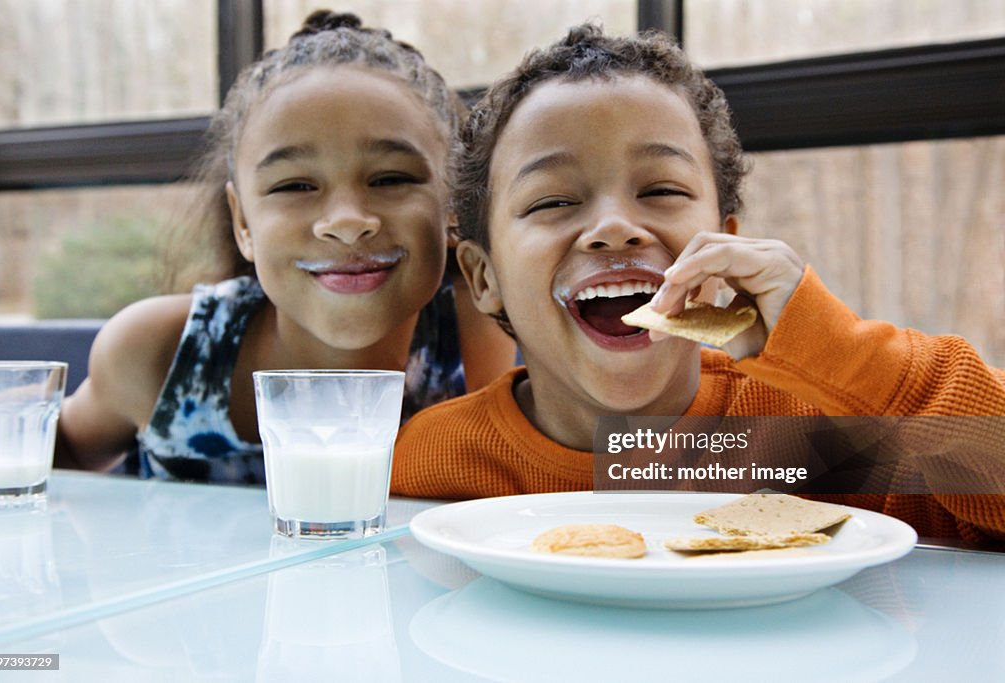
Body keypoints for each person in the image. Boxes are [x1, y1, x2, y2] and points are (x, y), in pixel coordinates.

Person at [391, 24, 1005, 546]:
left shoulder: (809, 440)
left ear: (725, 243)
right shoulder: (438, 457)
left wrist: (840, 349)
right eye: (553, 199)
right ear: (484, 276)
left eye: (661, 190)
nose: (613, 228)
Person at [55, 10, 516, 483]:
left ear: (453, 205)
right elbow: (56, 452)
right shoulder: (161, 352)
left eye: (391, 178)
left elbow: (596, 459)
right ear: (243, 223)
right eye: (295, 186)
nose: (347, 222)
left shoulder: (480, 325)